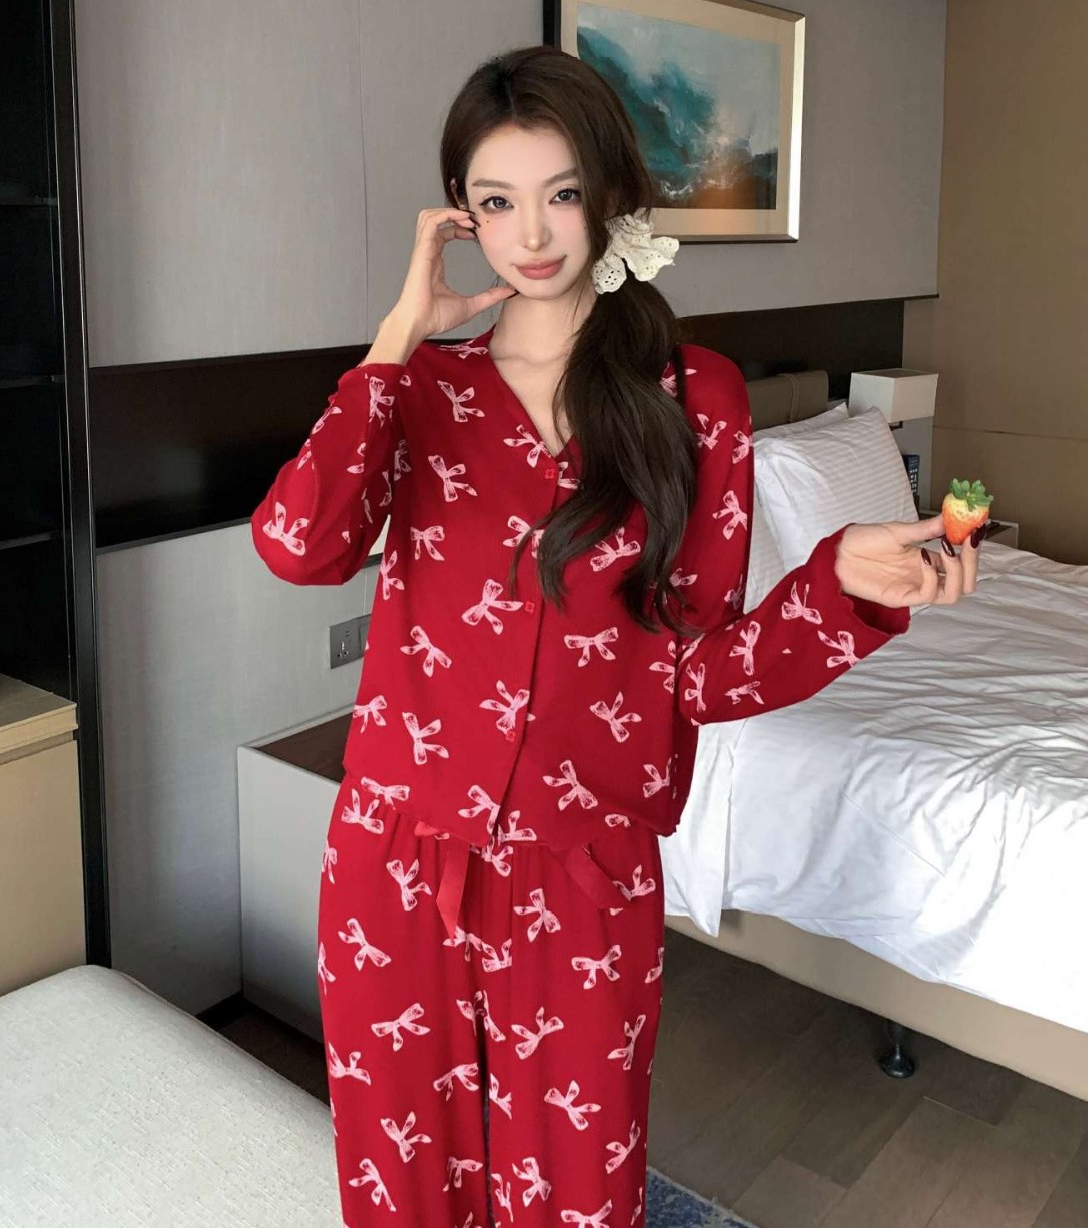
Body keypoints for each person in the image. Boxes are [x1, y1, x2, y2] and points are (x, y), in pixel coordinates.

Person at [250, 44, 979, 1228]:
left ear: (611, 194)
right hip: (395, 857)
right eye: (495, 202)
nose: (531, 233)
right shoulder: (419, 395)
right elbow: (297, 545)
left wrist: (835, 583)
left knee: (577, 1195)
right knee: (407, 1192)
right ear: (460, 217)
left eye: (561, 192)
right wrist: (395, 337)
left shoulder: (695, 396)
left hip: (581, 872)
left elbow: (702, 673)